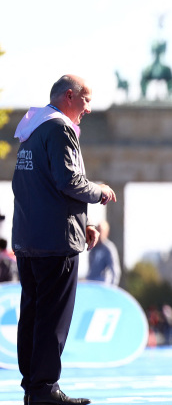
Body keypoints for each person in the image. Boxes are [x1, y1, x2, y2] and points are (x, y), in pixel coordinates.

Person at [12, 74, 117, 405]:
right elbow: (70, 181)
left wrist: (79, 221)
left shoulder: (32, 129)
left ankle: (33, 386)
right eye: (86, 100)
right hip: (55, 242)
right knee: (52, 318)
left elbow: (36, 187)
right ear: (69, 96)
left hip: (29, 238)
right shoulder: (59, 129)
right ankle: (45, 388)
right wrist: (99, 192)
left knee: (32, 314)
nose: (88, 108)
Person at [86, 221, 121, 286]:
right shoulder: (92, 248)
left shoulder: (109, 248)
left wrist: (112, 287)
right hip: (92, 283)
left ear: (106, 233)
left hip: (104, 284)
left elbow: (114, 270)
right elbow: (90, 269)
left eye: (100, 231)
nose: (99, 234)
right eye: (97, 230)